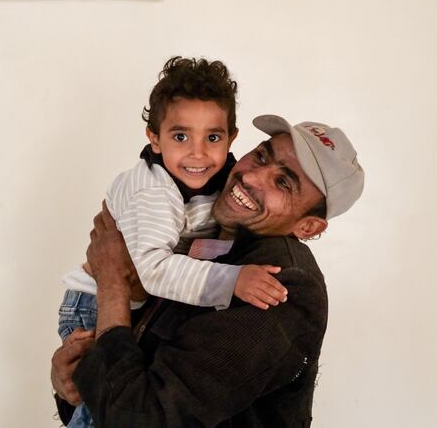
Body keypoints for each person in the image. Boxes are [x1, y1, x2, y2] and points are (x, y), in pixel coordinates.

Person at [51, 115, 364, 427]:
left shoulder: (282, 285)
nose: (252, 178)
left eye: (283, 183)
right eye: (261, 156)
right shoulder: (203, 233)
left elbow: (140, 418)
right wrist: (74, 385)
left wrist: (112, 284)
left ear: (308, 226)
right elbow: (124, 381)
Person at [57, 58, 289, 427]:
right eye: (180, 137)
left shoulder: (225, 180)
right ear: (154, 138)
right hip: (94, 303)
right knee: (102, 411)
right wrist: (233, 280)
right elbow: (154, 270)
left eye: (212, 138)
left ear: (231, 138)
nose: (197, 154)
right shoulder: (153, 191)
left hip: (138, 304)